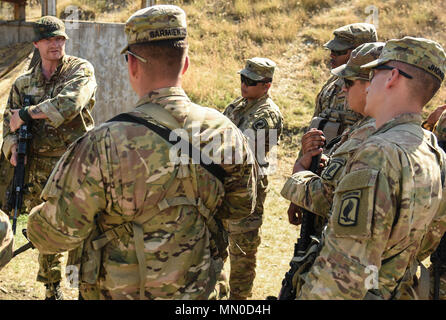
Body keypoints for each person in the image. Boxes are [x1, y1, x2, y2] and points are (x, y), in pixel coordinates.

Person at [26, 4, 257, 300]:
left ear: (132, 65)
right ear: (185, 64)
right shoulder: (226, 133)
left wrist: (34, 218)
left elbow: (54, 235)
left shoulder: (103, 143)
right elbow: (240, 209)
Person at [292, 36, 446, 300]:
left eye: (374, 72)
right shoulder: (432, 150)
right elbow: (428, 239)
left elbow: (341, 278)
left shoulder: (378, 152)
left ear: (392, 77)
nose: (367, 83)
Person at [2, 16, 97, 299]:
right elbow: (9, 124)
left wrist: (28, 114)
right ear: (36, 44)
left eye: (60, 39)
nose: (56, 44)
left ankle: (77, 285)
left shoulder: (79, 70)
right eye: (49, 39)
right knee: (44, 230)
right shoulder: (23, 83)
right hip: (38, 170)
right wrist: (12, 150)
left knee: (80, 231)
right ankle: (52, 288)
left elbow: (71, 103)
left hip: (76, 166)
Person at [282, 42, 384, 236]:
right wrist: (325, 166)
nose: (343, 89)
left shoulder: (371, 137)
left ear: (371, 84)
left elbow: (328, 201)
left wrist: (299, 173)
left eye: (348, 82)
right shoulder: (367, 127)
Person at [223, 57, 283, 300]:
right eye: (242, 78)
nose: (244, 84)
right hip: (224, 189)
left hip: (246, 194)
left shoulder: (267, 115)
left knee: (241, 256)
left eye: (251, 81)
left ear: (266, 85)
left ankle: (239, 300)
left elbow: (242, 153)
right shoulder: (238, 105)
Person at [309, 23, 378, 146]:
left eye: (338, 51)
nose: (331, 55)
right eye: (331, 50)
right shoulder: (332, 83)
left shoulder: (372, 88)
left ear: (359, 51)